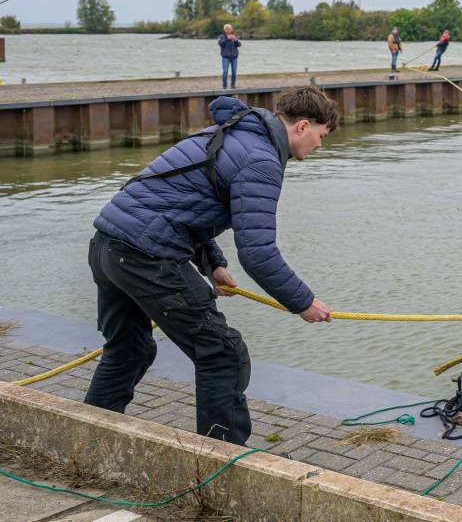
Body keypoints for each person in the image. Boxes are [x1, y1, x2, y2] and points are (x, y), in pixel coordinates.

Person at [83, 86, 339, 444]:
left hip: (107, 246)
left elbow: (186, 203)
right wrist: (303, 302)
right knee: (224, 355)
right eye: (321, 136)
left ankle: (87, 439)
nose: (319, 146)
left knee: (131, 350)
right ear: (302, 126)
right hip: (146, 257)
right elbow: (258, 253)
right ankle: (223, 464)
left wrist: (213, 264)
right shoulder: (262, 158)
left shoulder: (231, 132)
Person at [218, 24, 241, 89]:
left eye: (229, 29)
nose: (228, 30)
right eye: (227, 29)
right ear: (224, 30)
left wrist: (235, 40)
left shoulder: (235, 36)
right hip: (225, 57)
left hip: (234, 57)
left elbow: (239, 45)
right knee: (225, 71)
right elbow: (221, 44)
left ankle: (233, 85)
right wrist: (227, 39)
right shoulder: (221, 36)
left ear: (231, 29)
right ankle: (224, 86)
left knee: (234, 71)